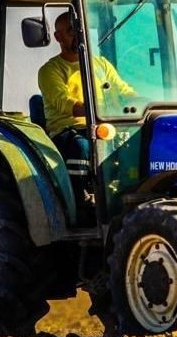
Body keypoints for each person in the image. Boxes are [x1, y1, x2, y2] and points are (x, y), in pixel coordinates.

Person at [37, 11, 135, 215]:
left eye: (80, 30)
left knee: (134, 142)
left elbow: (123, 91)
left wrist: (140, 100)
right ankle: (82, 202)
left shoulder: (101, 65)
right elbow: (64, 102)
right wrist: (94, 109)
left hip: (102, 126)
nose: (78, 35)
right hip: (68, 130)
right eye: (71, 31)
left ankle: (127, 195)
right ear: (58, 37)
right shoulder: (50, 70)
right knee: (81, 146)